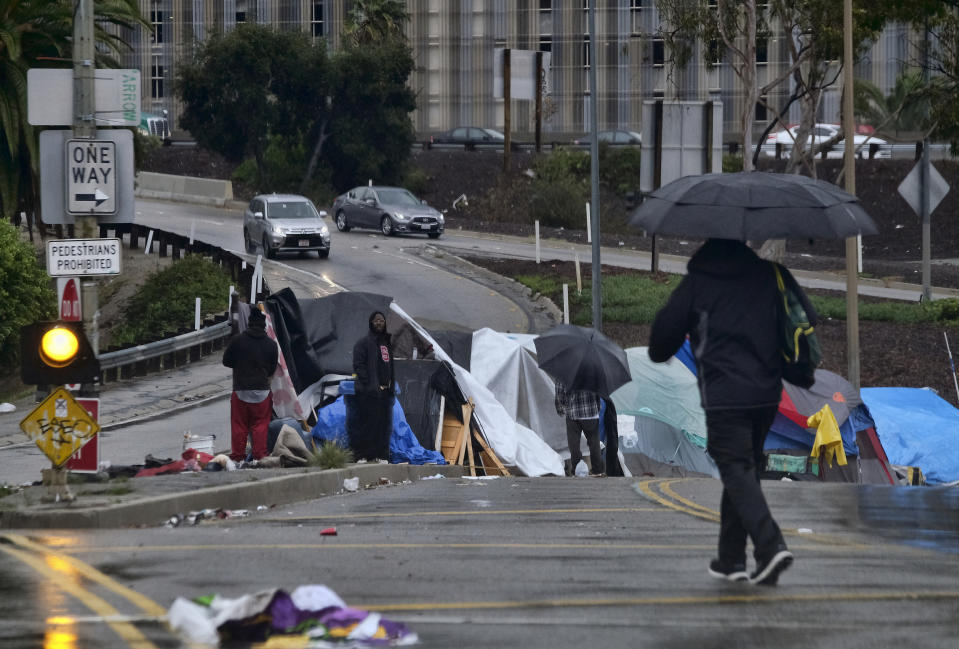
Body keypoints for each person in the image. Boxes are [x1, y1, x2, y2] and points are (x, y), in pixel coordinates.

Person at [648, 238, 816, 586]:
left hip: (725, 395)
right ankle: (730, 559)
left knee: (736, 468)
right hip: (768, 395)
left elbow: (660, 344)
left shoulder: (699, 282)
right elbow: (805, 318)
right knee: (742, 471)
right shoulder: (770, 275)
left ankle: (770, 545)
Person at [222, 307, 278, 463]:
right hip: (262, 391)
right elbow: (272, 369)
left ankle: (238, 458)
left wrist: (239, 365)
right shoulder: (271, 345)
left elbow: (226, 361)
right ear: (263, 325)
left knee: (239, 425)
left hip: (240, 389)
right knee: (260, 425)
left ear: (249, 324)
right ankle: (259, 458)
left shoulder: (238, 340)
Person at [349, 311, 396, 462]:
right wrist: (369, 384)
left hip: (385, 392)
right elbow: (358, 365)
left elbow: (390, 367)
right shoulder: (363, 343)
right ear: (370, 322)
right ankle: (362, 455)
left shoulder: (386, 344)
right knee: (366, 425)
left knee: (383, 426)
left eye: (381, 320)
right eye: (376, 320)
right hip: (369, 393)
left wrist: (391, 387)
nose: (379, 323)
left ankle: (380, 455)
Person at [554, 380, 605, 477]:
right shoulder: (592, 371)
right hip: (591, 413)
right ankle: (597, 470)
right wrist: (597, 408)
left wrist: (561, 410)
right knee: (594, 442)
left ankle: (577, 471)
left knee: (574, 444)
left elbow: (559, 394)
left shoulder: (564, 373)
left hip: (573, 414)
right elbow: (598, 393)